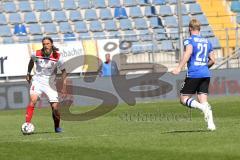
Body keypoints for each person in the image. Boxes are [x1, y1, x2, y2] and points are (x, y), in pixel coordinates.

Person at [172, 19, 216, 131]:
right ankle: (211, 125)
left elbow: (188, 53)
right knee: (203, 99)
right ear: (199, 29)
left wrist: (179, 67)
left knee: (183, 99)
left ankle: (202, 108)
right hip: (205, 73)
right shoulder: (207, 41)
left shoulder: (189, 40)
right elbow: (213, 60)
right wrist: (204, 67)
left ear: (190, 29)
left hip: (194, 73)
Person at [24, 37, 67, 133]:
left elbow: (64, 71)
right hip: (37, 81)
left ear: (51, 44)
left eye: (47, 44)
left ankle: (57, 127)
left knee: (55, 108)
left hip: (50, 83)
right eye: (44, 44)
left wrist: (64, 86)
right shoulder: (36, 53)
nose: (45, 46)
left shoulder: (58, 56)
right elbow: (31, 61)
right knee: (33, 100)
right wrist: (28, 73)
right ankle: (27, 124)